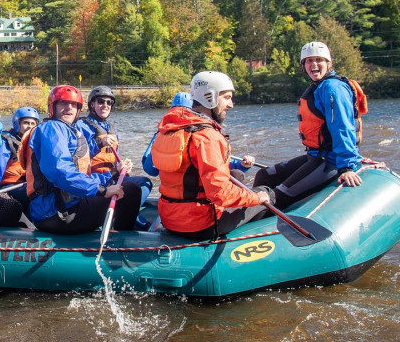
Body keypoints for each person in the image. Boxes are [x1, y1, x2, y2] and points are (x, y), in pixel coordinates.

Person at [151, 71, 273, 240]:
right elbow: (219, 193)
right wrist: (256, 197)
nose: (231, 104)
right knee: (267, 193)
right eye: (227, 97)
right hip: (200, 224)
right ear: (210, 97)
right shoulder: (207, 137)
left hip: (170, 218)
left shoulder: (170, 128)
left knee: (236, 176)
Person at [253, 42, 366, 208]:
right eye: (308, 61)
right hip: (315, 156)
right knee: (265, 176)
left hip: (331, 161)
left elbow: (342, 128)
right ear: (303, 65)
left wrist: (346, 167)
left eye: (319, 60)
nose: (313, 64)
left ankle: (261, 227)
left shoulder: (333, 88)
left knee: (277, 196)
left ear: (329, 63)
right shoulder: (318, 87)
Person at [21, 85, 142, 235]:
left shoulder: (68, 130)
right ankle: (122, 243)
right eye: (63, 103)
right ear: (53, 107)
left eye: (73, 105)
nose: (69, 108)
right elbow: (60, 172)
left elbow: (81, 174)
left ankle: (116, 235)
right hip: (59, 213)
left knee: (123, 186)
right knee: (131, 191)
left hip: (65, 207)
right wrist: (102, 191)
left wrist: (113, 173)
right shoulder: (52, 128)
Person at [76, 86, 153, 228]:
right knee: (130, 192)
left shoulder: (109, 128)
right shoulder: (81, 126)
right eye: (100, 101)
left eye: (108, 102)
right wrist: (99, 142)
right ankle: (122, 216)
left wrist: (122, 166)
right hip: (95, 181)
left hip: (112, 176)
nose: (105, 105)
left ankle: (121, 211)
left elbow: (111, 157)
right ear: (92, 104)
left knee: (145, 182)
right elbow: (78, 156)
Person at [142, 91, 255, 178]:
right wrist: (241, 166)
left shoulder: (162, 133)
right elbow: (219, 162)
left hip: (170, 199)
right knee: (236, 175)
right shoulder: (203, 133)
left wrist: (164, 153)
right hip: (197, 199)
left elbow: (150, 169)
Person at [0, 106, 41, 213]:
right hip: (9, 186)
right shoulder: (7, 142)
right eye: (26, 123)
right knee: (35, 193)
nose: (29, 127)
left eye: (33, 124)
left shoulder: (36, 143)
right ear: (17, 124)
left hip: (27, 184)